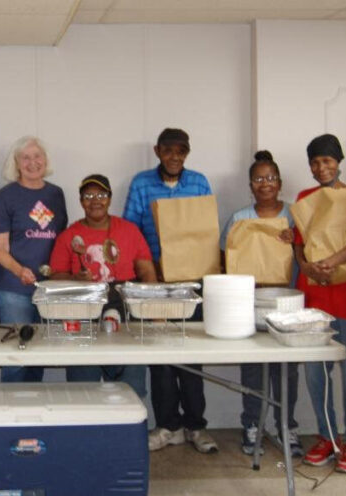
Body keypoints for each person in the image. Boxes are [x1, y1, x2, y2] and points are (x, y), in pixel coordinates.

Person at [121, 128, 217, 455]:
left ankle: (195, 426)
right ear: (157, 151)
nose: (174, 157)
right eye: (168, 151)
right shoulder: (141, 183)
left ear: (187, 153)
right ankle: (167, 426)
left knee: (191, 357)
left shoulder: (200, 182)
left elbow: (207, 231)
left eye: (181, 151)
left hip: (191, 281)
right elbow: (130, 230)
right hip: (155, 282)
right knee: (160, 358)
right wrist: (151, 269)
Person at [294, 134, 346, 473]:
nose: (321, 167)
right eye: (315, 162)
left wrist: (331, 261)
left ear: (339, 162)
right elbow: (298, 243)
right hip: (314, 296)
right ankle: (327, 436)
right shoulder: (304, 199)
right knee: (316, 372)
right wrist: (306, 266)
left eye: (327, 160)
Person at [218, 150, 303, 458]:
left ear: (280, 182)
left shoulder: (296, 215)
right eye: (258, 179)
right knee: (253, 369)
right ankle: (252, 424)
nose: (265, 183)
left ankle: (286, 426)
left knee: (286, 370)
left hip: (288, 304)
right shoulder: (239, 219)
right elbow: (223, 258)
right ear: (250, 185)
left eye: (270, 178)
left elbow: (310, 255)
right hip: (249, 304)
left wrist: (296, 241)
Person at [48, 174, 155, 398]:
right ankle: (85, 427)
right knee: (83, 379)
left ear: (109, 198)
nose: (95, 200)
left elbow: (146, 271)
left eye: (101, 194)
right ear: (80, 201)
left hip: (126, 305)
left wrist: (151, 308)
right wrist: (76, 279)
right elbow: (55, 276)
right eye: (88, 195)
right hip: (83, 309)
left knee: (130, 376)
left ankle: (127, 428)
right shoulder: (68, 237)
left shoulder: (129, 230)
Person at [0, 136, 67, 383]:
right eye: (26, 157)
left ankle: (35, 410)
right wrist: (19, 270)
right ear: (16, 163)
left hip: (48, 290)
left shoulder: (56, 194)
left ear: (46, 160)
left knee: (39, 356)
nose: (33, 162)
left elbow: (61, 241)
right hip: (14, 289)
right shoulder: (6, 196)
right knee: (16, 357)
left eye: (38, 156)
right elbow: (0, 248)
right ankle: (11, 414)